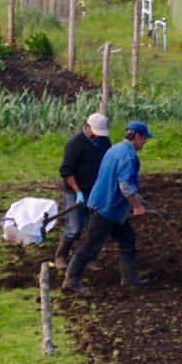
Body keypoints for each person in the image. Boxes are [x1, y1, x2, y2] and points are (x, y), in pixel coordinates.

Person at [63, 121, 153, 291]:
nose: (145, 142)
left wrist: (138, 198)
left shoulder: (115, 149)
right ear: (138, 137)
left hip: (108, 205)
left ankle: (130, 279)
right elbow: (125, 185)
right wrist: (137, 206)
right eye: (145, 138)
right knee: (91, 245)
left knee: (127, 239)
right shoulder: (129, 156)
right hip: (107, 208)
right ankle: (71, 280)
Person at [54, 112, 111, 270]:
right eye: (95, 133)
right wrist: (78, 191)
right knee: (75, 227)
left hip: (96, 191)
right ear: (88, 128)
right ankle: (61, 255)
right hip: (76, 191)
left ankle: (90, 258)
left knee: (94, 227)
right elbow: (66, 171)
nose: (98, 136)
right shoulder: (75, 144)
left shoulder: (105, 142)